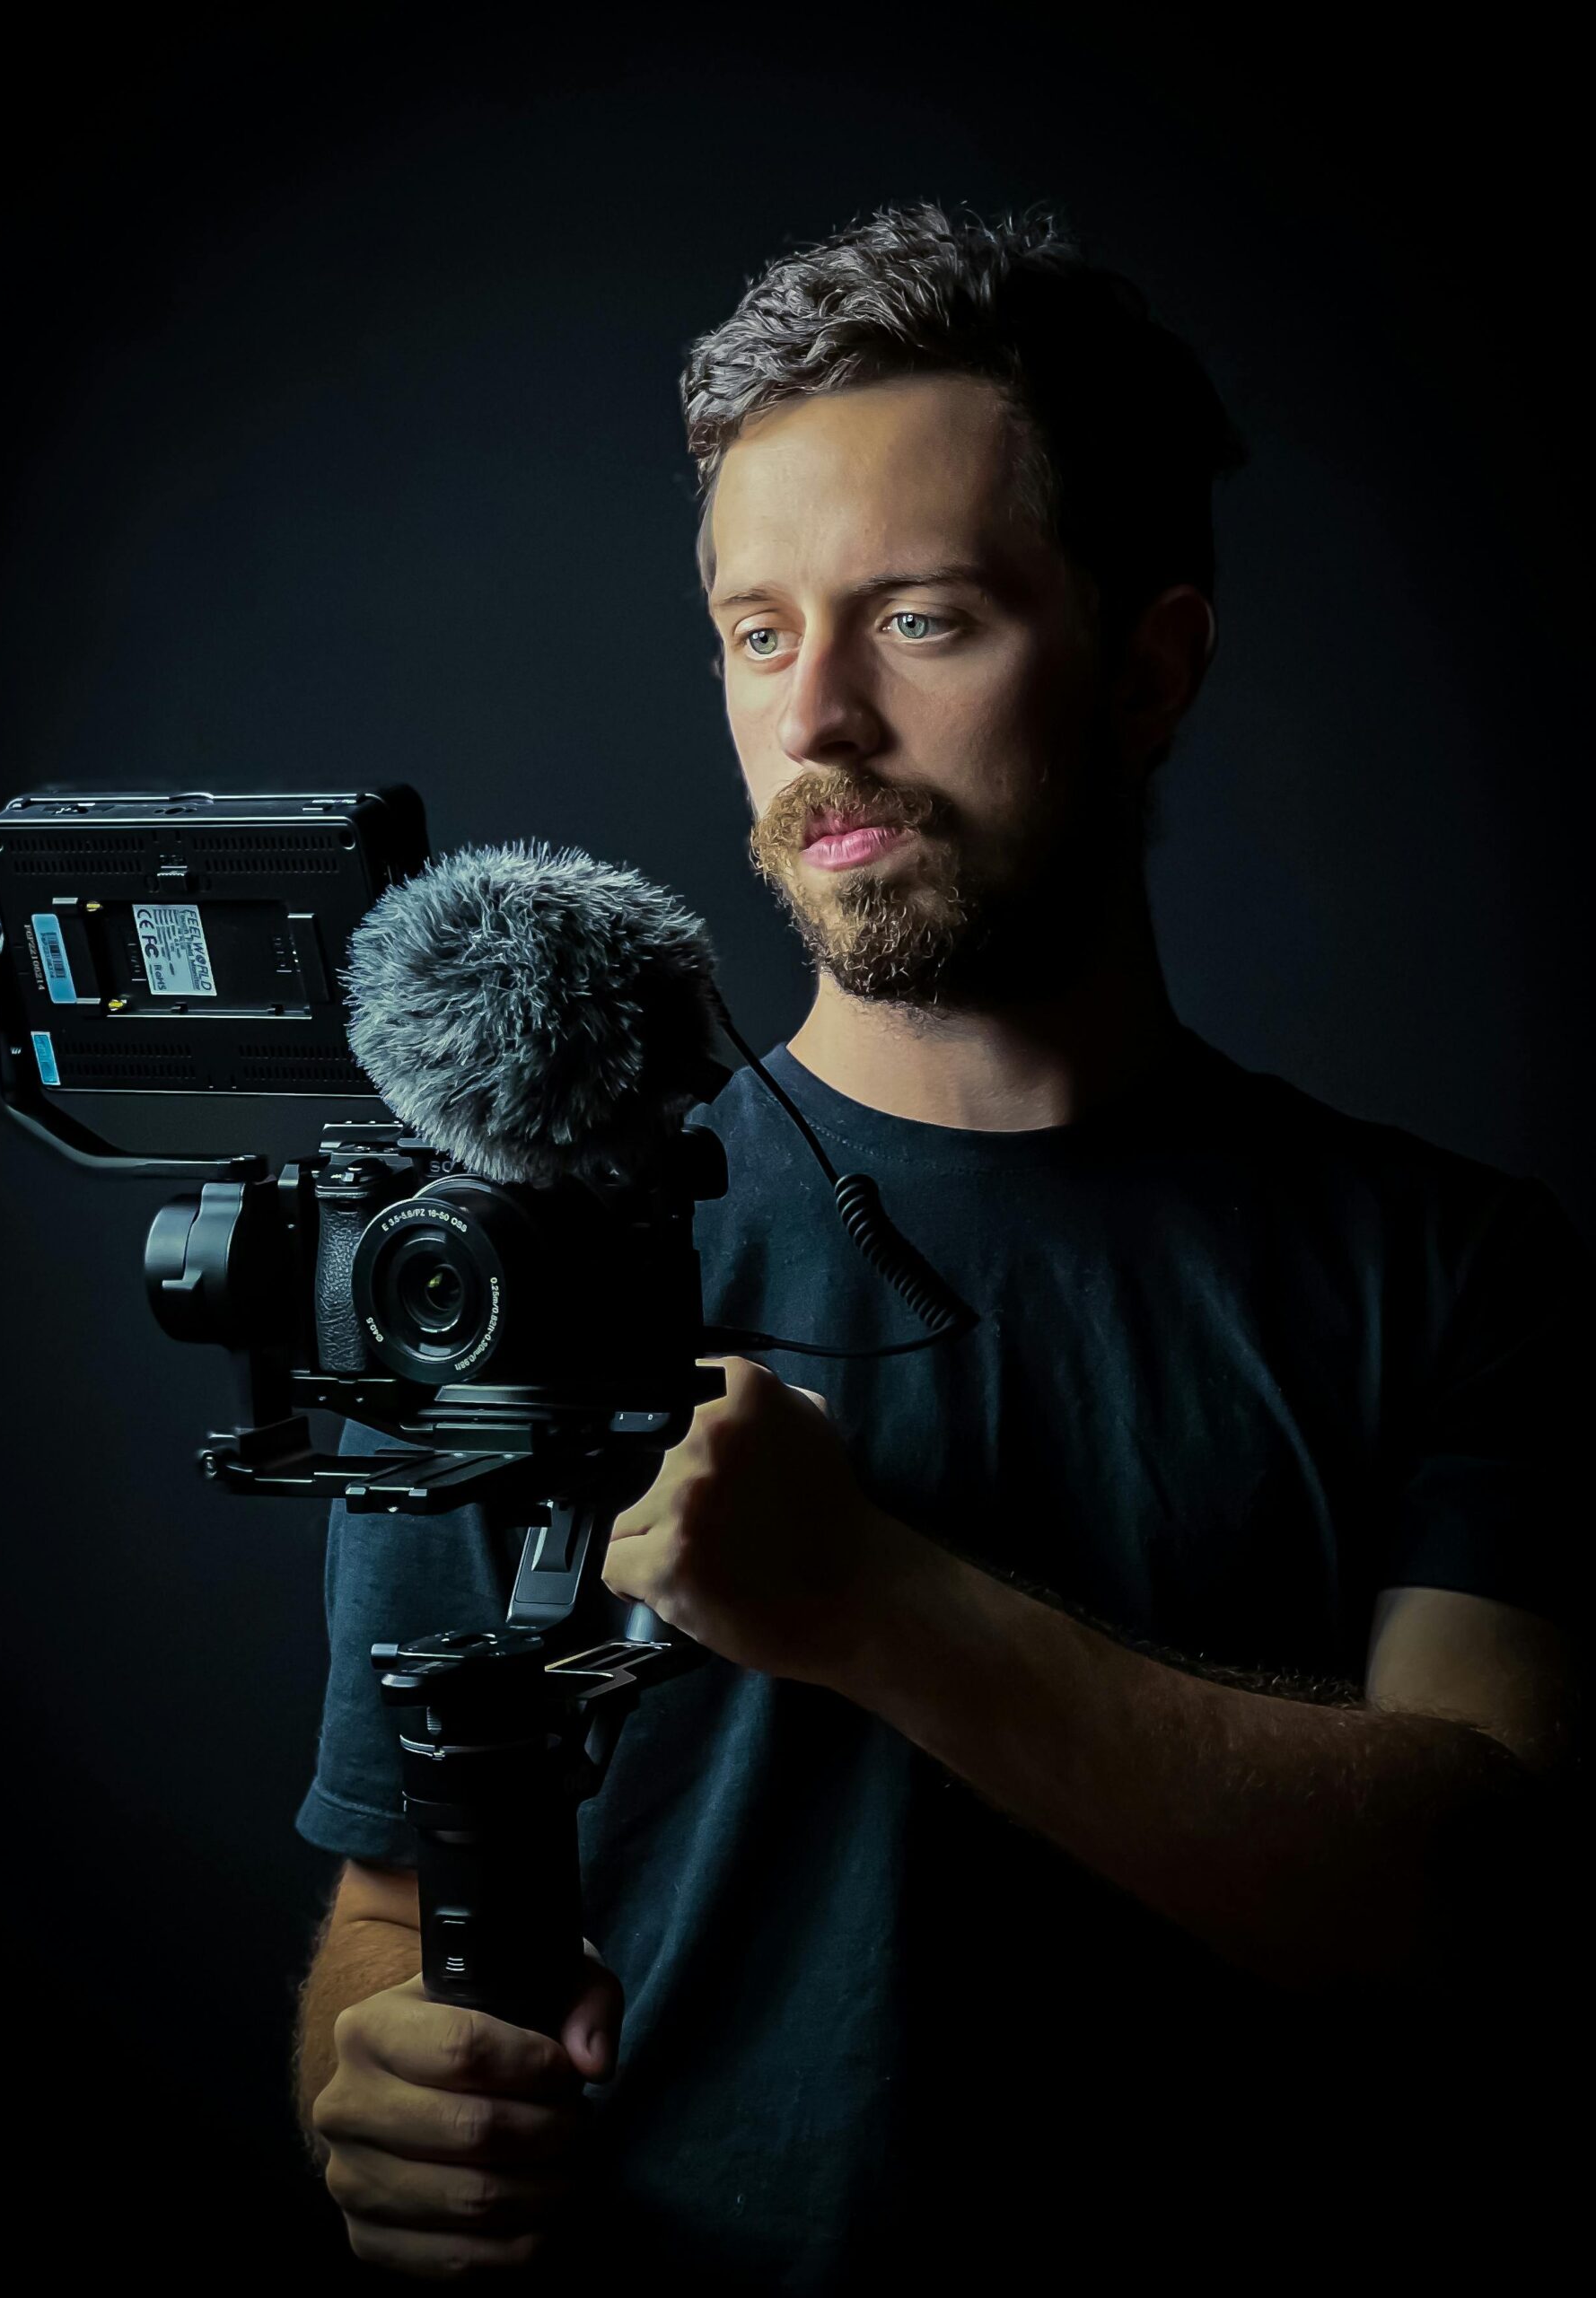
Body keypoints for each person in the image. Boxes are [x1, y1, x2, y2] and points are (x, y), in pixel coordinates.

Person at [290, 200, 1585, 2285]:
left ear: (1151, 666)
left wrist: (875, 1600)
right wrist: (384, 2086)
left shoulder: (1453, 1274)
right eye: (756, 630)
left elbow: (1493, 1908)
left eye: (921, 619)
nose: (816, 727)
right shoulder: (508, 1268)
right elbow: (378, 1918)